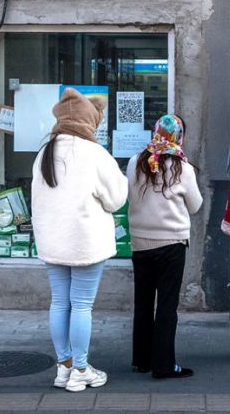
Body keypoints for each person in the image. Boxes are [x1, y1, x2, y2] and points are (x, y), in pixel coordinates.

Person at [31, 88, 128, 392]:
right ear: (89, 122)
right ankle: (81, 370)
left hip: (52, 242)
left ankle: (64, 367)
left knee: (60, 303)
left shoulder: (44, 152)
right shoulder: (94, 153)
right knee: (82, 305)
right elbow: (116, 199)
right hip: (85, 243)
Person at [126, 114, 202, 380]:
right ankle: (164, 365)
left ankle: (142, 359)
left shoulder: (135, 162)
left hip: (140, 243)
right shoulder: (182, 167)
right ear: (179, 136)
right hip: (171, 245)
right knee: (167, 306)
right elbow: (196, 205)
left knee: (143, 302)